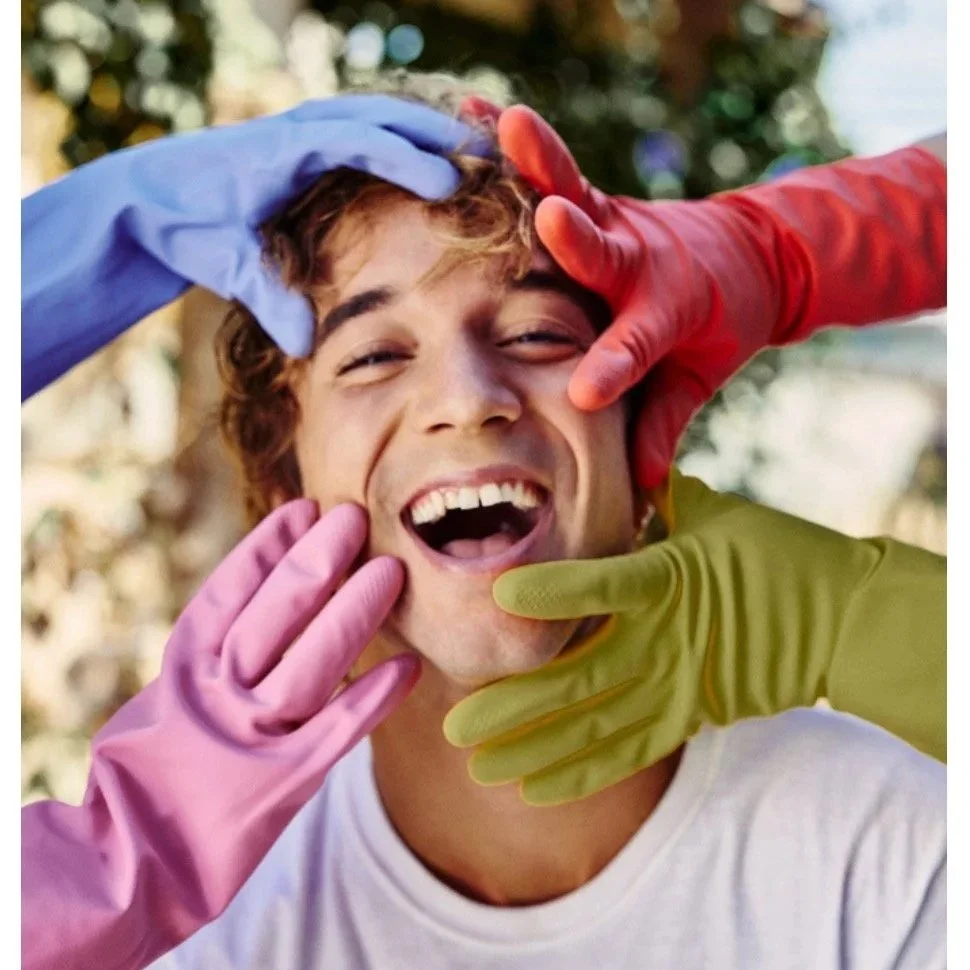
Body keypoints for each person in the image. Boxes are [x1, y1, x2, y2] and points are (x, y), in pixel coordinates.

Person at [147, 75, 944, 969]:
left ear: (641, 436)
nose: (468, 400)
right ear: (280, 476)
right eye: (373, 356)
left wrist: (874, 624)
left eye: (534, 335)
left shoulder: (893, 852)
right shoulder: (210, 925)